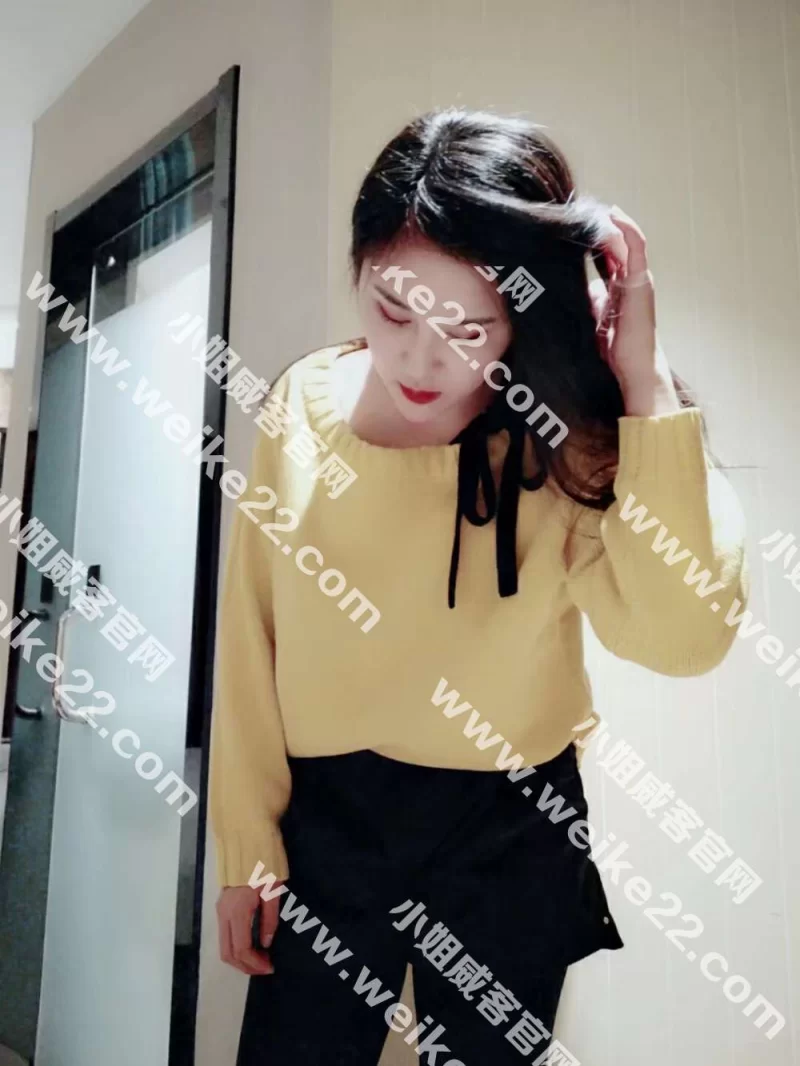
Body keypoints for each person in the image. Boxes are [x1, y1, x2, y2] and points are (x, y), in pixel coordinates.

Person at [209, 107, 749, 1065]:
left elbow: (684, 638)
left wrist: (642, 382)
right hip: (329, 819)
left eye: (470, 328)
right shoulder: (301, 402)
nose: (423, 361)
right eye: (393, 310)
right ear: (358, 271)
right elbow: (252, 634)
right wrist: (246, 844)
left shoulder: (563, 439)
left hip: (511, 822)